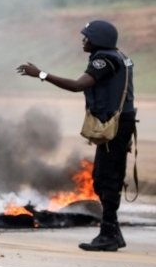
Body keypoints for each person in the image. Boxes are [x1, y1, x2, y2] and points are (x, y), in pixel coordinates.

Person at [17, 20, 136, 252]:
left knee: (107, 179)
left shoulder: (105, 60)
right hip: (118, 123)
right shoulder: (117, 55)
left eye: (87, 37)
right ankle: (114, 232)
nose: (83, 40)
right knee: (103, 178)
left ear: (99, 40)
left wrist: (40, 74)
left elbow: (77, 85)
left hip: (116, 125)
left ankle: (109, 235)